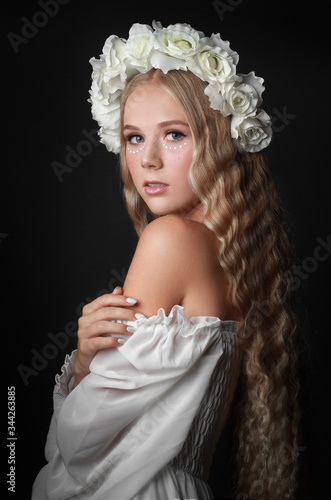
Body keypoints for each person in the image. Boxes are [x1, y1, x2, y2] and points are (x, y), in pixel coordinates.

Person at [31, 21, 300, 500]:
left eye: (174, 134)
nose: (148, 160)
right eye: (134, 138)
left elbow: (80, 449)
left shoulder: (170, 239)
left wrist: (83, 367)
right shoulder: (234, 257)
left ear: (220, 141)